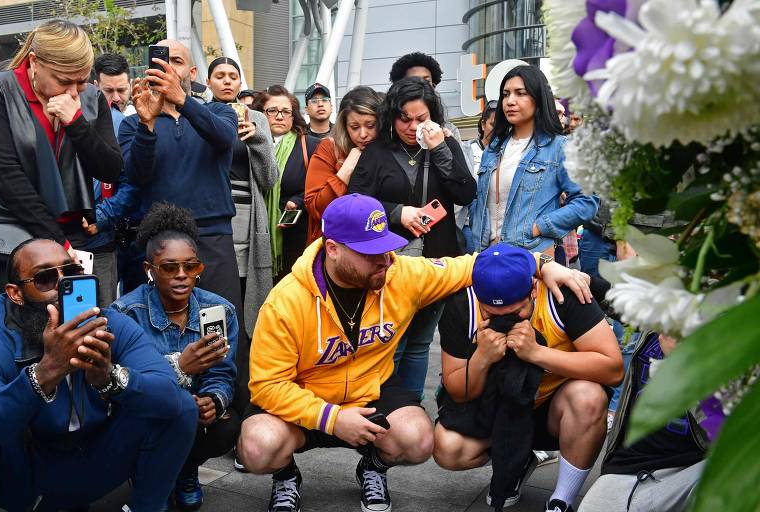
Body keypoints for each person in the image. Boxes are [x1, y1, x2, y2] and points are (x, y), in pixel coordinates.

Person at [237, 193, 591, 512]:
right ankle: (285, 476)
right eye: (370, 253)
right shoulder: (285, 301)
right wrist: (330, 418)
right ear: (333, 249)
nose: (385, 261)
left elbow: (476, 263)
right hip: (305, 399)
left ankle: (372, 466)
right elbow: (267, 386)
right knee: (256, 446)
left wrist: (543, 264)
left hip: (368, 389)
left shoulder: (399, 272)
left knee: (419, 440)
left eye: (386, 247)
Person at [0, 238, 198, 510]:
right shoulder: (0, 337)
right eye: (44, 278)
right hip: (26, 475)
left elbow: (170, 397)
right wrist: (45, 373)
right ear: (15, 293)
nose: (62, 286)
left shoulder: (110, 323)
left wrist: (110, 379)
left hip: (92, 458)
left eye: (72, 272)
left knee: (183, 407)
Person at [432, 244, 623, 512]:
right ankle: (519, 459)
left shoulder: (560, 293)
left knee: (588, 397)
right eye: (492, 314)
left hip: (553, 410)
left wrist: (537, 353)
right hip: (496, 409)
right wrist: (482, 358)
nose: (506, 321)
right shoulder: (463, 303)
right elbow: (458, 391)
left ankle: (562, 500)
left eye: (516, 311)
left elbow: (613, 369)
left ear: (534, 289)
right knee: (447, 448)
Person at [117, 39, 244, 381]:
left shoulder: (218, 111)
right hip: (161, 242)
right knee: (156, 326)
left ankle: (223, 403)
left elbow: (225, 140)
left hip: (212, 236)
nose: (168, 67)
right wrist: (146, 125)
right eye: (161, 60)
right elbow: (136, 175)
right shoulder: (133, 123)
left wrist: (183, 101)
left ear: (191, 72)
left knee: (220, 324)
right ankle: (166, 396)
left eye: (175, 60)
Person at [348, 77, 476, 397]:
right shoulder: (377, 151)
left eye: (421, 118)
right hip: (389, 259)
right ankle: (388, 411)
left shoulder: (445, 146)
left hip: (436, 258)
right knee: (392, 340)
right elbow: (356, 201)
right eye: (404, 118)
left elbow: (465, 192)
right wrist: (397, 212)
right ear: (392, 116)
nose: (412, 126)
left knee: (420, 343)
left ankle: (412, 407)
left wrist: (441, 149)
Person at [111, 203, 240, 509]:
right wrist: (180, 366)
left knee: (228, 423)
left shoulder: (220, 311)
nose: (182, 276)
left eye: (191, 266)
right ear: (149, 270)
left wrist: (212, 399)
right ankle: (149, 475)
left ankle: (185, 470)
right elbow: (125, 385)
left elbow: (223, 373)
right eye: (169, 267)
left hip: (193, 420)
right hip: (146, 415)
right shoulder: (126, 314)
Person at [0, 20, 122, 295]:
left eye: (82, 82)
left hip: (75, 237)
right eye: (64, 81)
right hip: (11, 234)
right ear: (34, 62)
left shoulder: (91, 98)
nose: (74, 91)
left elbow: (110, 169)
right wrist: (57, 242)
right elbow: (6, 176)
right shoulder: (0, 91)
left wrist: (76, 123)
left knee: (79, 327)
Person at [206, 56, 279, 410]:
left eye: (233, 76)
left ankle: (249, 403)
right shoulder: (200, 115)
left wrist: (258, 142)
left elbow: (269, 179)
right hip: (212, 224)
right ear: (208, 82)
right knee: (219, 309)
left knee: (251, 314)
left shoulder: (259, 119)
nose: (227, 81)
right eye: (219, 75)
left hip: (250, 224)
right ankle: (220, 398)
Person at [468, 65, 598, 256]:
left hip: (531, 255)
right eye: (506, 94)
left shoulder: (560, 147)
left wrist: (538, 227)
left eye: (520, 93)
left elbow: (586, 203)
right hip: (487, 255)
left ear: (538, 98)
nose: (510, 101)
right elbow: (481, 200)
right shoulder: (494, 148)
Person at [578, 333, 709, 512]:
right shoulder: (653, 326)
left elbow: (729, 432)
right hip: (630, 468)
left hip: (690, 473)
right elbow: (614, 308)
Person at [81, 52, 140, 306]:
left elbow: (133, 182)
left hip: (112, 235)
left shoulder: (129, 125)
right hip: (77, 235)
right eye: (108, 91)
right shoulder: (74, 116)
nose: (116, 98)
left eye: (121, 90)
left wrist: (102, 215)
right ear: (95, 86)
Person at [253, 85, 320, 281]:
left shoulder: (310, 145)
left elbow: (319, 186)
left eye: (285, 111)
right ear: (260, 114)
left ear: (293, 116)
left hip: (296, 234)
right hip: (256, 231)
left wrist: (298, 201)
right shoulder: (249, 144)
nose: (279, 116)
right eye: (272, 111)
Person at [304, 86, 381, 244]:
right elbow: (315, 207)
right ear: (344, 127)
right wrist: (346, 171)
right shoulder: (330, 148)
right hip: (339, 243)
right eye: (354, 127)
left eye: (370, 126)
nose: (363, 134)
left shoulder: (391, 148)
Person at [388, 52, 460, 140]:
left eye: (426, 81)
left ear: (433, 86)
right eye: (414, 81)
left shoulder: (449, 130)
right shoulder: (385, 129)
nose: (421, 85)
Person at [458, 100, 497, 253]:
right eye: (493, 124)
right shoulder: (465, 149)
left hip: (497, 228)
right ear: (483, 125)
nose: (498, 130)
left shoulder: (508, 154)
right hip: (468, 224)